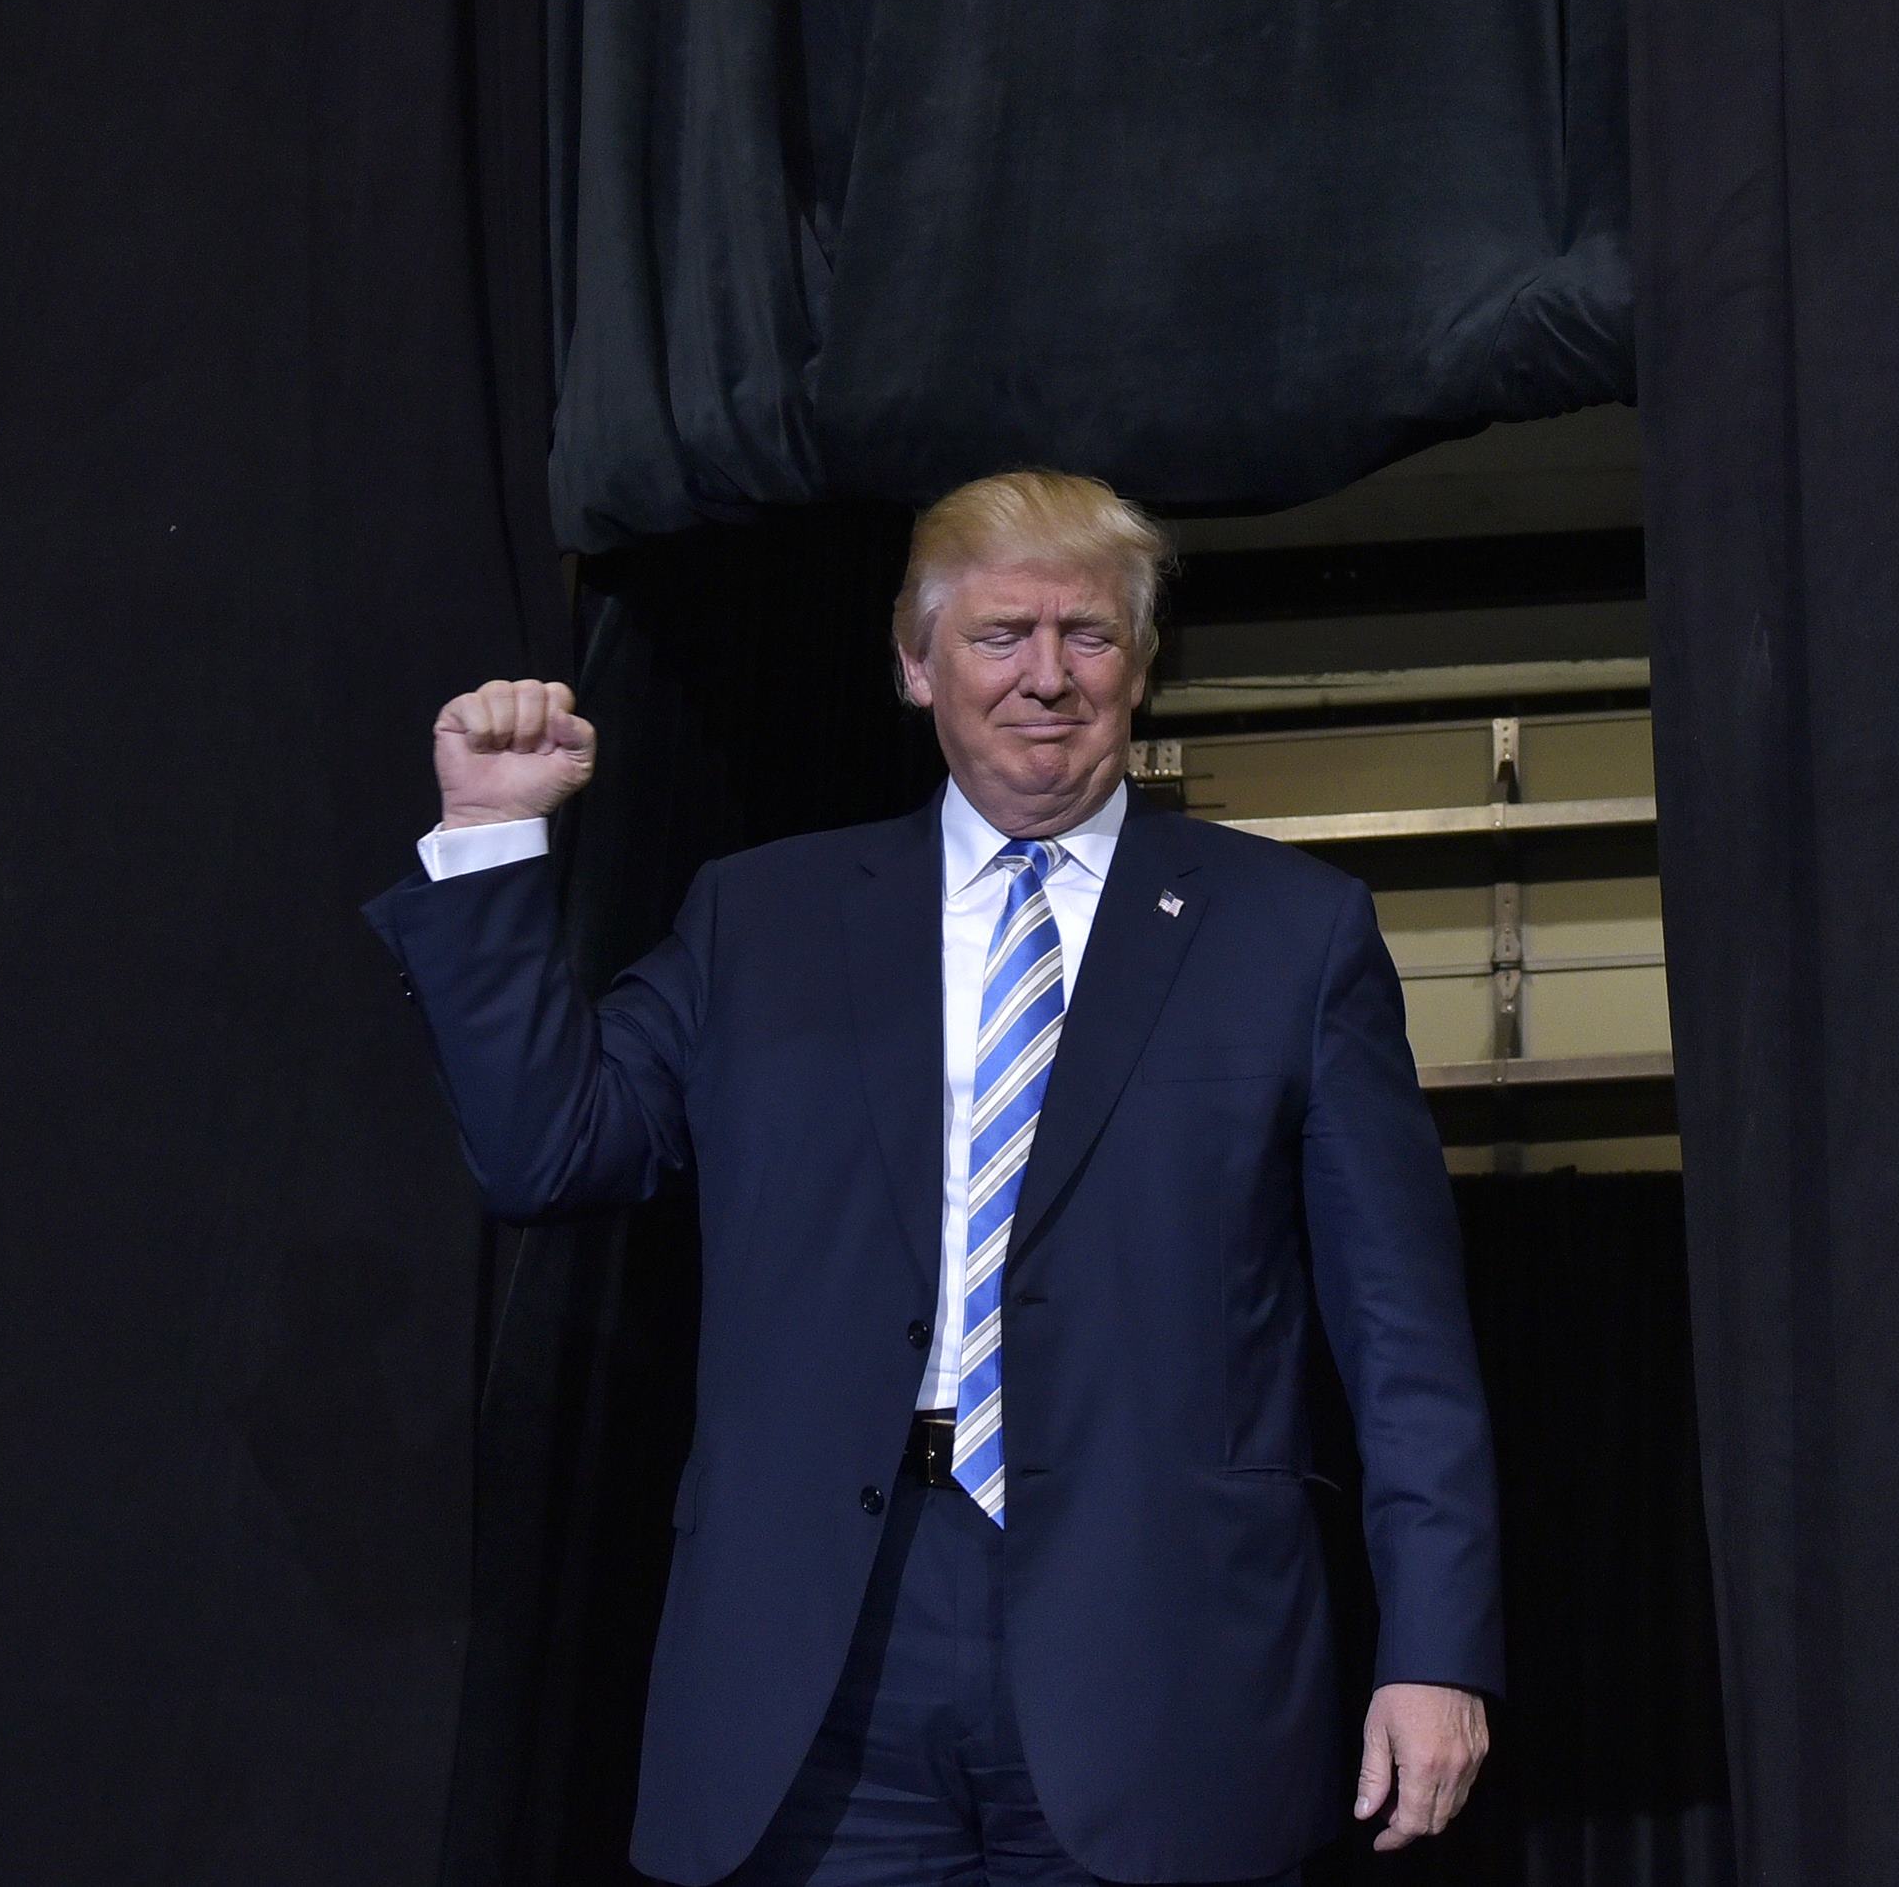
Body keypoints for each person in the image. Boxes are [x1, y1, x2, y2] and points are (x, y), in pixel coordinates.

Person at [371, 471, 1499, 1885]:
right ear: (915, 665)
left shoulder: (1292, 935)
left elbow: (1404, 1337)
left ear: (1139, 663)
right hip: (828, 1659)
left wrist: (1437, 1649)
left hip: (1164, 1652)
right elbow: (550, 1149)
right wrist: (487, 837)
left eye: (1088, 636)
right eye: (998, 635)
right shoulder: (759, 918)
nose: (1046, 677)